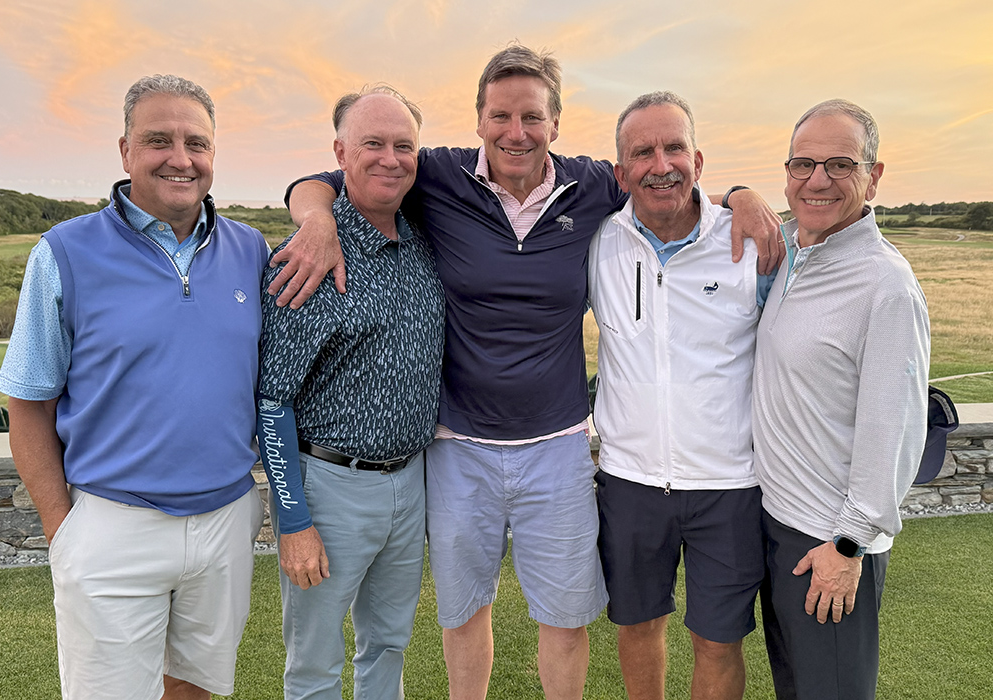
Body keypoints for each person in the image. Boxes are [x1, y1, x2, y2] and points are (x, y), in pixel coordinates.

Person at [284, 45, 783, 700]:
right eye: (500, 116)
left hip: (558, 446)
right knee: (464, 611)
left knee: (565, 618)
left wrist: (741, 196)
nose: (515, 132)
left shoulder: (593, 184)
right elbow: (324, 179)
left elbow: (665, 181)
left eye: (532, 117)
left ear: (555, 122)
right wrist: (316, 218)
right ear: (479, 120)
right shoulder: (436, 175)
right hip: (459, 446)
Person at [0, 74, 289, 700]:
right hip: (111, 521)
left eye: (196, 143)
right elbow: (28, 403)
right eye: (160, 140)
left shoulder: (249, 250)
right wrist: (64, 531)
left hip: (226, 519)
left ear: (213, 154)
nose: (181, 158)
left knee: (195, 688)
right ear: (126, 151)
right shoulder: (64, 252)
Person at [256, 87, 444, 700]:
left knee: (388, 646)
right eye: (372, 144)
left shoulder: (424, 240)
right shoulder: (308, 256)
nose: (390, 158)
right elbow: (271, 399)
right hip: (330, 486)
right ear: (340, 154)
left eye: (403, 145)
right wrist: (293, 520)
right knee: (314, 665)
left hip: (410, 481)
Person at [589, 91, 770, 700]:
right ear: (620, 173)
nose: (660, 165)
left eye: (674, 148)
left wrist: (742, 196)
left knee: (717, 641)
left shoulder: (749, 243)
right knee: (638, 627)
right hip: (631, 481)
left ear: (698, 160)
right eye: (642, 152)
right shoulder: (600, 242)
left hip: (729, 484)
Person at [753, 99, 930, 700]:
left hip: (830, 542)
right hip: (777, 524)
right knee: (795, 686)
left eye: (840, 165)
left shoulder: (886, 286)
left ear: (873, 177)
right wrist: (740, 196)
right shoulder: (790, 251)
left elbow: (894, 428)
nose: (817, 180)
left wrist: (850, 544)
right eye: (803, 164)